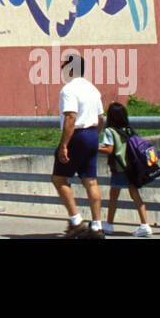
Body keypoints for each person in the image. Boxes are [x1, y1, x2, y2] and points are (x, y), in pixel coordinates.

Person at [52, 53, 105, 237]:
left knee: (58, 179)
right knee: (90, 181)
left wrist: (64, 145)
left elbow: (70, 117)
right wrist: (93, 136)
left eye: (65, 68)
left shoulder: (68, 90)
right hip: (92, 134)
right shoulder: (93, 89)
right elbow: (100, 118)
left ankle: (76, 221)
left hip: (77, 134)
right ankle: (97, 226)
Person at [99, 101, 151, 236]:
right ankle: (145, 224)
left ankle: (109, 224)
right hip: (131, 167)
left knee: (113, 197)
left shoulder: (109, 131)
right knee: (135, 195)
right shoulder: (128, 130)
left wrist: (94, 147)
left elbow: (109, 149)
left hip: (119, 168)